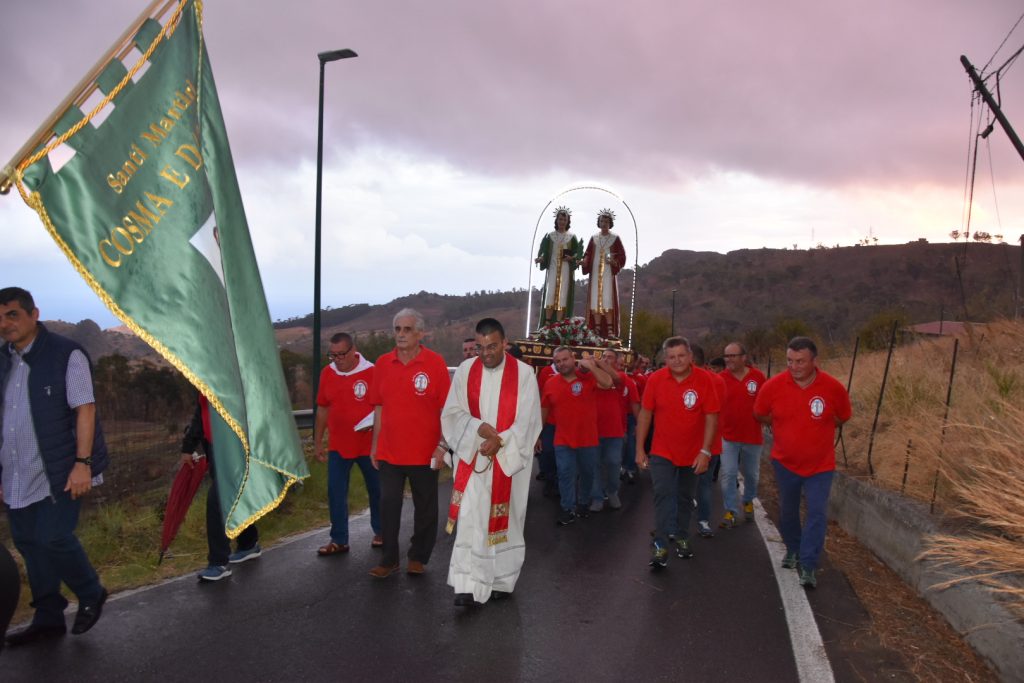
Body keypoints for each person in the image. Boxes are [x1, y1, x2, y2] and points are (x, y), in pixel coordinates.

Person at [0, 287, 109, 645]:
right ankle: (48, 616)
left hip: (60, 469)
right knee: (29, 542)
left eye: (12, 314)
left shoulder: (66, 354)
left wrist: (83, 464)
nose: (5, 324)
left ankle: (91, 592)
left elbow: (85, 409)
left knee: (53, 537)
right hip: (17, 471)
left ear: (34, 314)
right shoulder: (4, 360)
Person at [441, 318, 542, 606]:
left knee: (505, 521)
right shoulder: (464, 371)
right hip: (474, 458)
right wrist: (479, 429)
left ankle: (501, 580)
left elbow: (529, 419)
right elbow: (452, 413)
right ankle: (466, 584)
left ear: (505, 343)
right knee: (471, 519)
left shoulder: (523, 374)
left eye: (492, 346)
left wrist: (501, 440)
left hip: (508, 461)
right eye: (480, 347)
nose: (486, 353)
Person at [754, 337, 851, 589]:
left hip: (820, 465)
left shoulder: (832, 387)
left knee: (817, 512)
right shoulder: (773, 386)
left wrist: (820, 427)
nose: (794, 366)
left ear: (814, 361)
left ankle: (808, 564)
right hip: (785, 463)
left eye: (800, 361)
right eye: (790, 361)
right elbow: (760, 413)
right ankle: (793, 549)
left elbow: (842, 416)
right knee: (788, 510)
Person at [368, 308, 451, 578]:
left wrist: (442, 445)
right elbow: (378, 408)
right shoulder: (382, 363)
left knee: (426, 508)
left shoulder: (435, 363)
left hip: (425, 452)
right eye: (397, 329)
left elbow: (446, 409)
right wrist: (374, 445)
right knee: (389, 504)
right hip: (390, 452)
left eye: (406, 329)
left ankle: (418, 556)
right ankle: (389, 558)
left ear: (420, 333)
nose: (401, 334)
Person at [636, 337, 719, 569]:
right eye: (671, 357)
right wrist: (639, 449)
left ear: (690, 356)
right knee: (663, 494)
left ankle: (682, 535)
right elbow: (645, 414)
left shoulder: (704, 380)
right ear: (665, 359)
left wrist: (705, 451)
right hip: (662, 451)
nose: (677, 361)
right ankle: (660, 543)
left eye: (681, 356)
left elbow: (712, 416)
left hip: (692, 453)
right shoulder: (655, 379)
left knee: (684, 497)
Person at [313, 333, 382, 555]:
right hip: (338, 445)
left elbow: (382, 407)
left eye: (342, 354)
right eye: (333, 355)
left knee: (377, 490)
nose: (337, 359)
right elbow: (322, 408)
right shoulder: (327, 373)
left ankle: (381, 532)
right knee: (335, 491)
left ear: (354, 350)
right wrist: (317, 442)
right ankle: (339, 539)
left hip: (367, 445)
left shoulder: (372, 372)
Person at [180, 393, 261, 581]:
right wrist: (188, 446)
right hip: (214, 446)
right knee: (236, 496)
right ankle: (248, 543)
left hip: (235, 445)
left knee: (217, 501)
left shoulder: (231, 371)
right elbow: (202, 411)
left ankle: (218, 562)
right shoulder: (206, 374)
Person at [541, 346, 613, 525]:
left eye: (565, 359)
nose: (561, 364)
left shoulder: (587, 378)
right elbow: (544, 410)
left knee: (587, 473)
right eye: (557, 361)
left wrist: (592, 367)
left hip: (588, 438)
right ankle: (567, 508)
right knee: (565, 473)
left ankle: (582, 503)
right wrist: (538, 435)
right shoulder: (550, 383)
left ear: (573, 359)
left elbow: (607, 383)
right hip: (563, 439)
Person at [718, 342, 767, 528]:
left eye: (733, 355)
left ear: (743, 357)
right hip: (728, 437)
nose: (729, 359)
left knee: (752, 475)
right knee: (728, 473)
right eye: (726, 356)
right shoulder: (721, 378)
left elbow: (767, 403)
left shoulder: (758, 377)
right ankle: (731, 510)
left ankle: (747, 500)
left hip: (752, 437)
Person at [690, 344, 725, 539]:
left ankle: (674, 523)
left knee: (683, 485)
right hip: (711, 445)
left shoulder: (699, 381)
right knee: (704, 485)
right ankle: (703, 522)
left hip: (695, 444)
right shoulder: (719, 381)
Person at [590, 349, 631, 511]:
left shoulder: (621, 377)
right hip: (593, 431)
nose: (606, 359)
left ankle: (612, 491)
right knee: (595, 465)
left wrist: (599, 363)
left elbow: (614, 378)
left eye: (610, 357)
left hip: (614, 432)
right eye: (604, 356)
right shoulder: (592, 377)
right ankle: (597, 497)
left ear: (617, 361)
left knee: (614, 463)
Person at [581, 209, 626, 339]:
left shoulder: (615, 239)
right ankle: (596, 329)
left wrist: (613, 261)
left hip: (607, 275)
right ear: (598, 222)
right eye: (602, 221)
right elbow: (588, 254)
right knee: (595, 301)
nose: (604, 223)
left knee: (607, 300)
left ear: (610, 223)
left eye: (606, 221)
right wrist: (584, 261)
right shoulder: (594, 238)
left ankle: (611, 331)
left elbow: (622, 256)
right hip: (595, 275)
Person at [535, 207, 583, 328]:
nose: (562, 222)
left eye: (564, 219)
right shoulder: (550, 236)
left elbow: (577, 253)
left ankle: (559, 324)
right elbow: (544, 252)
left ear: (568, 221)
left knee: (562, 296)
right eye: (560, 219)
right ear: (556, 220)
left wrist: (572, 258)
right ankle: (547, 323)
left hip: (565, 270)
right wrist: (541, 258)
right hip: (552, 269)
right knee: (550, 295)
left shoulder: (572, 237)